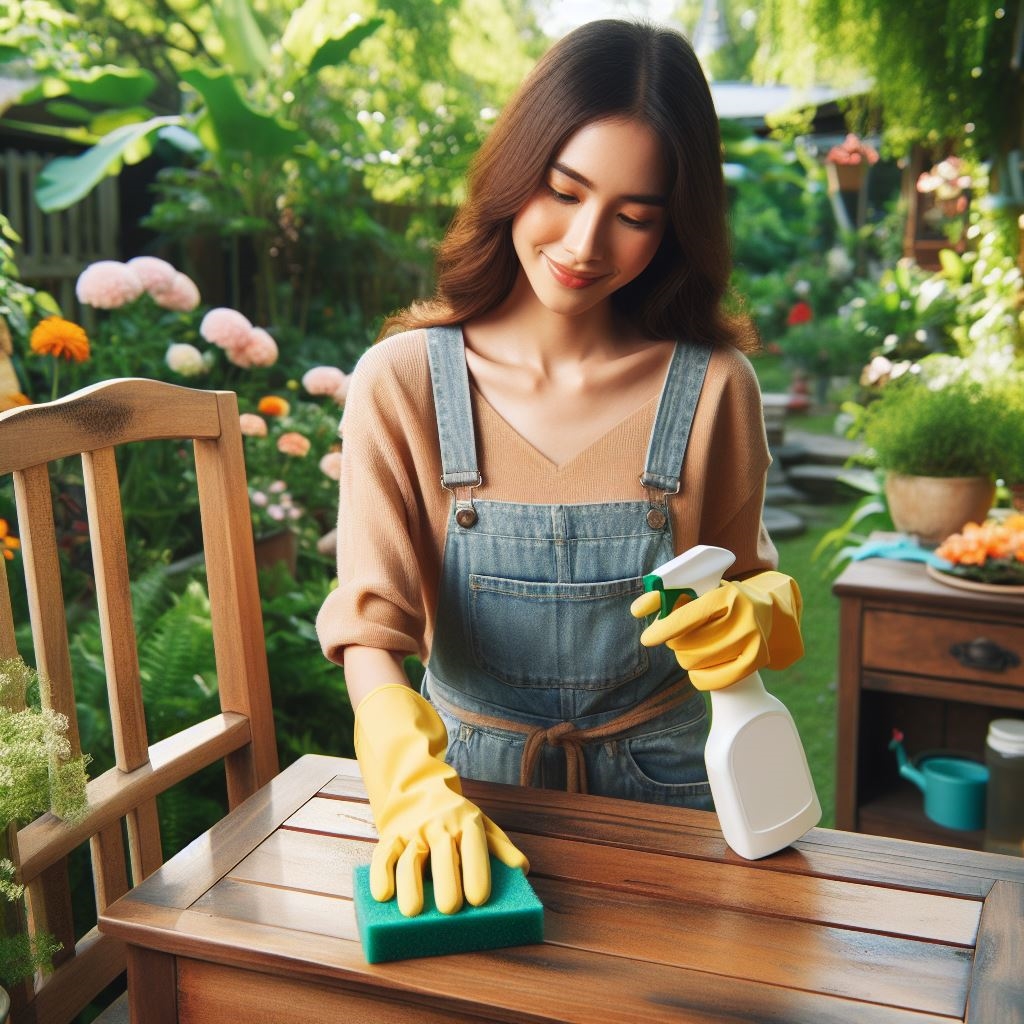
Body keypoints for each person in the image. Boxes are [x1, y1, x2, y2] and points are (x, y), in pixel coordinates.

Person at [316, 19, 803, 919]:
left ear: (674, 228)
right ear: (513, 174)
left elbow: (747, 583)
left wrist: (761, 613)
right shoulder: (406, 382)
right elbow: (372, 629)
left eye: (634, 216)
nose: (586, 243)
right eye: (563, 189)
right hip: (464, 806)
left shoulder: (714, 390)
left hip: (673, 806)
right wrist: (404, 776)